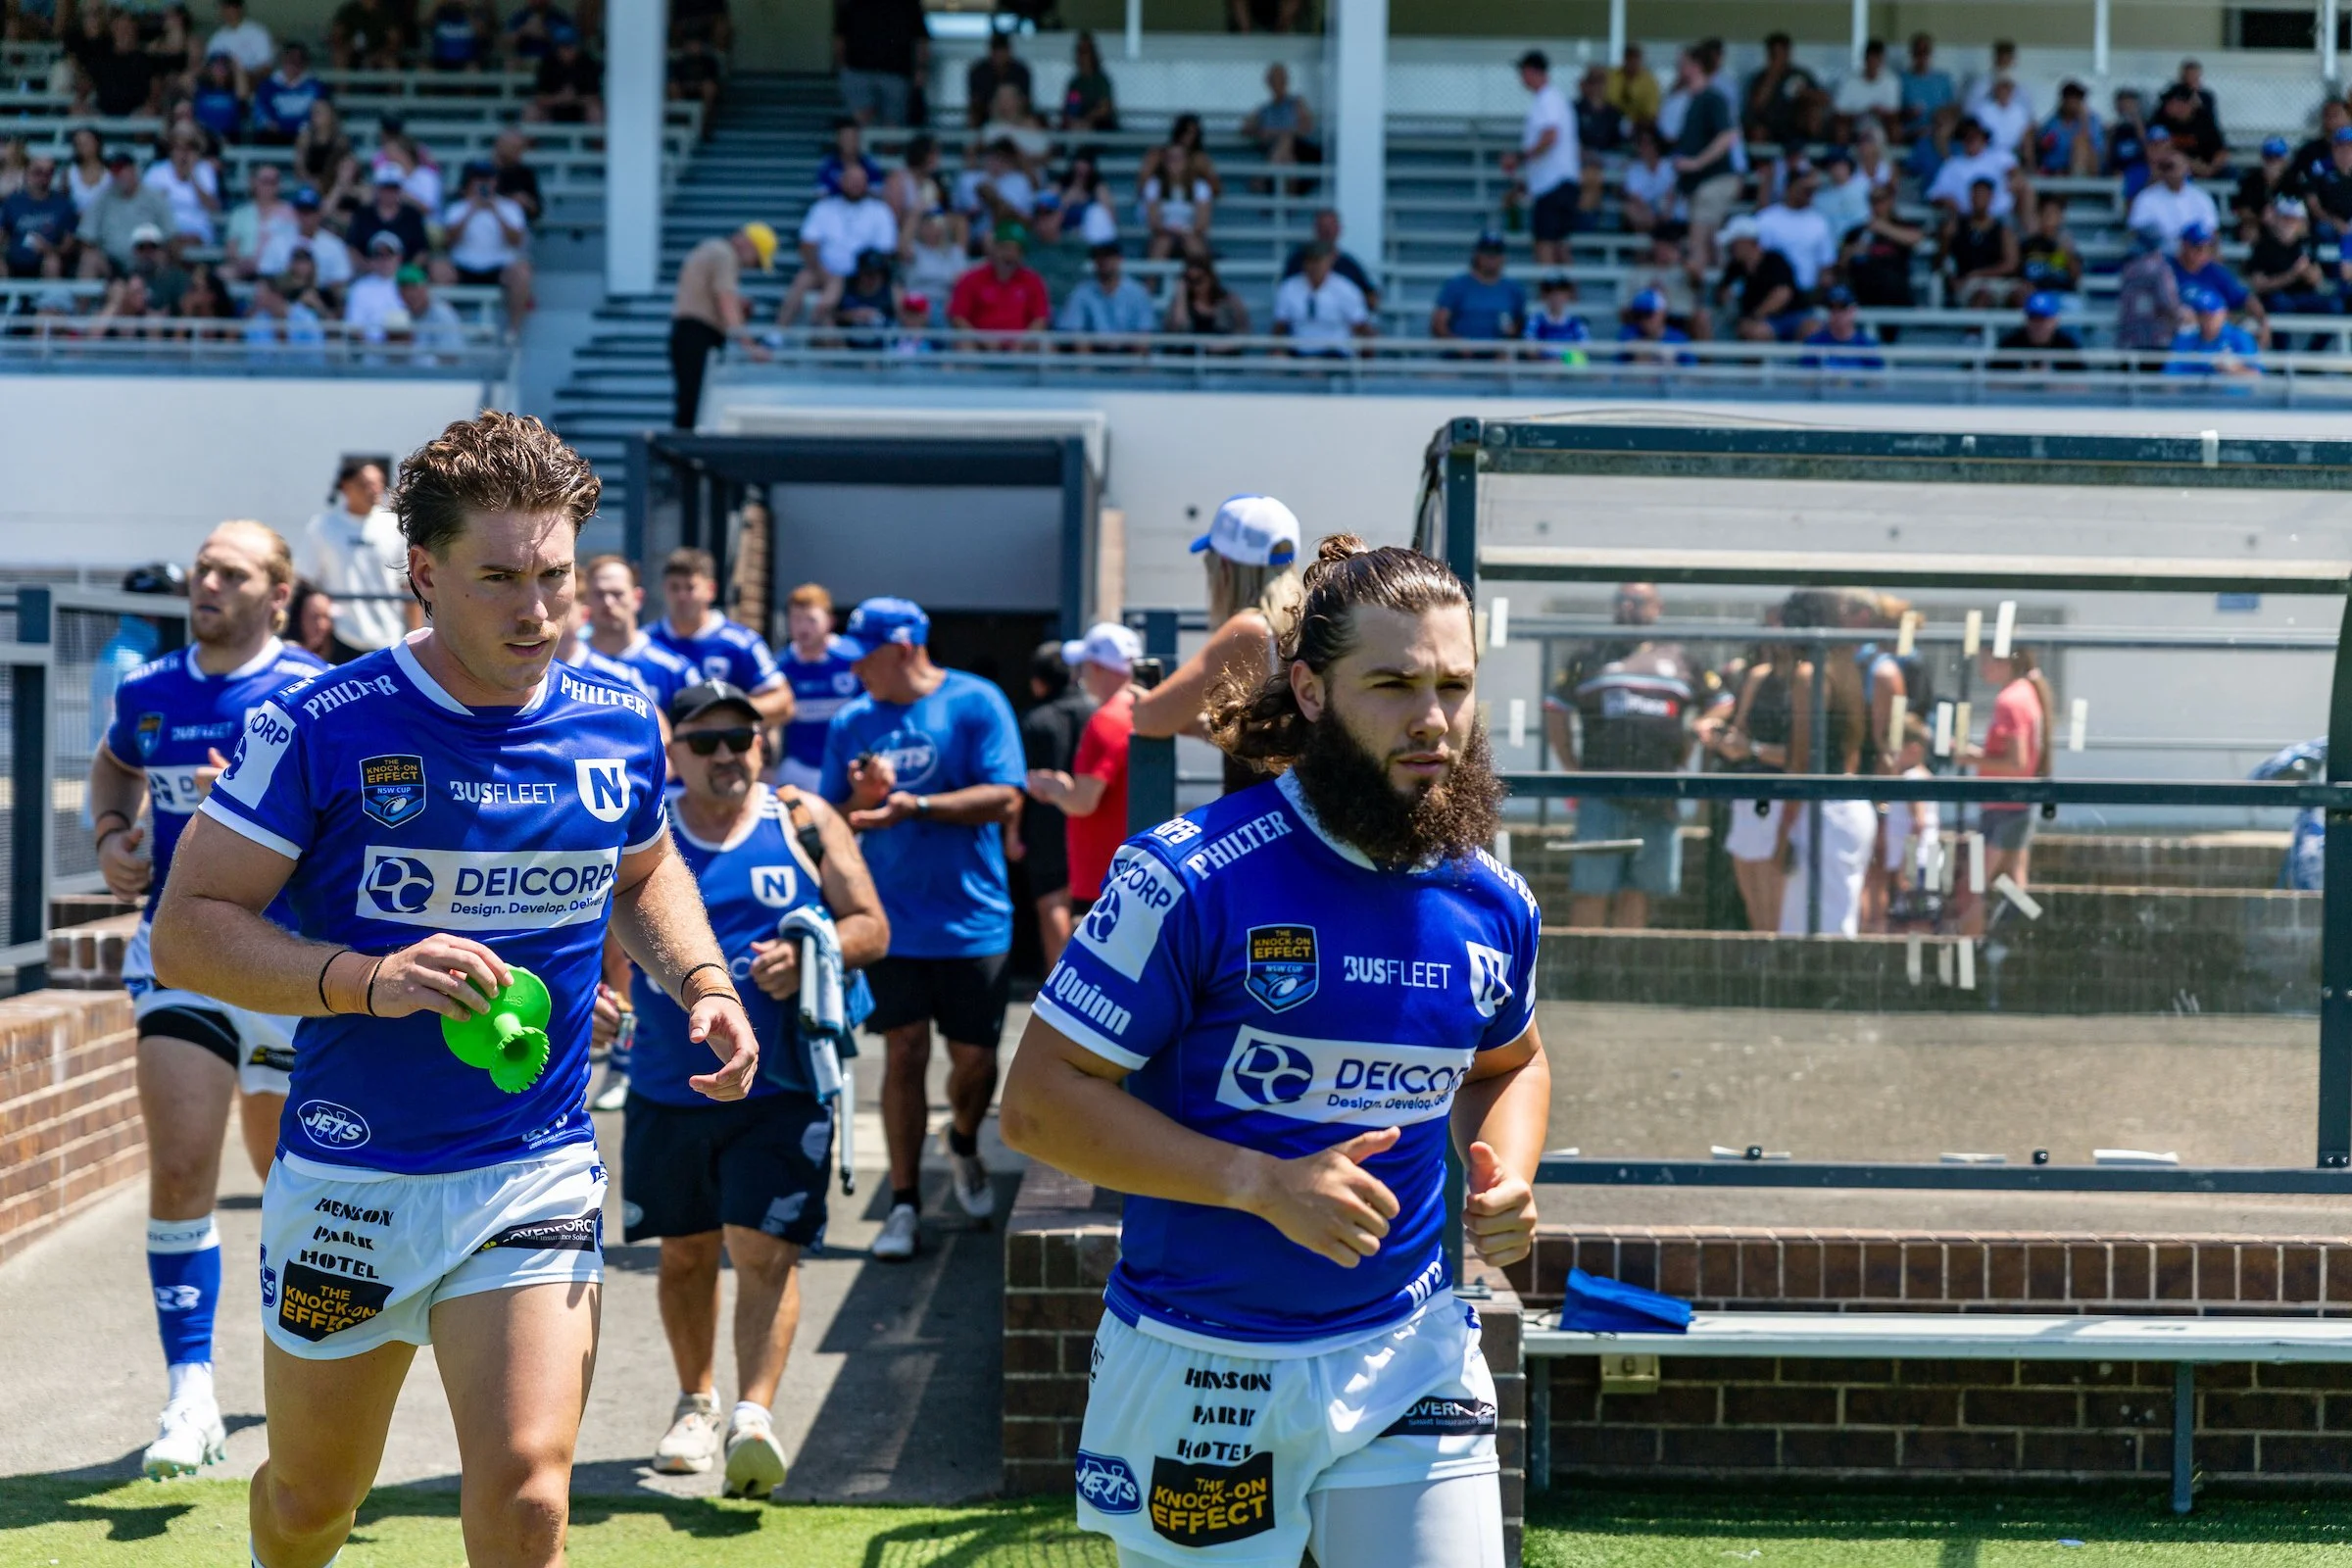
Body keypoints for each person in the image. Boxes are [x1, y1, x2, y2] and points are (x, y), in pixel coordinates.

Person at [149, 412, 760, 1568]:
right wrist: (366, 980)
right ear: (423, 573)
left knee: (530, 1497)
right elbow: (189, 932)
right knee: (311, 1503)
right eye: (499, 578)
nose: (537, 611)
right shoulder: (319, 724)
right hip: (348, 1176)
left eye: (555, 577)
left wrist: (703, 979)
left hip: (531, 1166)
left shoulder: (622, 719)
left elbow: (644, 868)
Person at [1001, 535, 1546, 1568]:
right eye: (1392, 683)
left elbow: (1508, 1062)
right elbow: (1038, 1103)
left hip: (1408, 1353)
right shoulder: (1188, 875)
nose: (1433, 720)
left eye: (1454, 684)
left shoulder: (1492, 899)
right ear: (1307, 688)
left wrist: (1506, 1173)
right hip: (1203, 1364)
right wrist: (1256, 1181)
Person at [86, 523, 328, 1481]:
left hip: (282, 963)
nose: (207, 582)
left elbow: (349, 821)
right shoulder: (148, 691)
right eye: (202, 569)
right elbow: (115, 761)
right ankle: (190, 1392)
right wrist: (112, 830)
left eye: (232, 571)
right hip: (179, 957)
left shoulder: (313, 688)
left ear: (278, 591)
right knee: (184, 1166)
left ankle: (305, 1374)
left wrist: (260, 808)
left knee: (294, 1184)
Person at [628, 679, 887, 1495]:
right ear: (675, 754)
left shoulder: (802, 821)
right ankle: (696, 1401)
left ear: (761, 744)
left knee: (764, 1250)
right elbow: (608, 931)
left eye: (739, 737)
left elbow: (871, 925)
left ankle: (754, 1416)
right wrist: (600, 1005)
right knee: (685, 1254)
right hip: (670, 1083)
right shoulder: (645, 830)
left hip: (781, 1084)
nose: (725, 755)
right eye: (704, 742)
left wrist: (812, 955)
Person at [819, 598, 1024, 1260]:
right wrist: (864, 802)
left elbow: (1006, 795)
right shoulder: (853, 720)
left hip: (972, 922)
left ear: (903, 648)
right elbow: (831, 815)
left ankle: (963, 1141)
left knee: (975, 1062)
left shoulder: (976, 702)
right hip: (891, 922)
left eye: (865, 655)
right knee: (902, 1053)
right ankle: (904, 1205)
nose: (856, 670)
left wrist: (917, 805)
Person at [1545, 583, 1696, 929]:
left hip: (1658, 798)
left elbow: (1719, 704)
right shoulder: (1591, 654)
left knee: (1639, 891)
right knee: (1591, 888)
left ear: (1657, 607)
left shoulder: (1678, 657)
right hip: (1602, 795)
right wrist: (1570, 766)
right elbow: (1555, 707)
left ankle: (1625, 972)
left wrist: (1695, 733)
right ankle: (1587, 973)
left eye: (1638, 601)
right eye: (1621, 600)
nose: (1628, 607)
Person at [1021, 621, 1140, 920]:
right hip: (1128, 872)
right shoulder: (1139, 711)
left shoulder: (1106, 720)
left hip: (1102, 879)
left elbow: (1083, 802)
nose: (1079, 676)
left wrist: (1055, 789)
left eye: (1084, 666)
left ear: (1098, 668)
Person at [1773, 595, 1873, 937]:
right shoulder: (1846, 668)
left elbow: (1802, 760)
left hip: (1823, 810)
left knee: (1811, 929)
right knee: (1836, 922)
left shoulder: (1809, 674)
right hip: (1850, 804)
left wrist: (1784, 827)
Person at [1961, 644, 2053, 936]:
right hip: (2016, 805)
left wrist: (1969, 757)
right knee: (2013, 883)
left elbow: (2016, 761)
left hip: (2003, 806)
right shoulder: (2027, 693)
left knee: (1973, 887)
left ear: (2005, 661)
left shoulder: (2010, 700)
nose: (1981, 668)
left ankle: (1970, 956)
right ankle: (2017, 942)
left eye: (1987, 661)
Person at [1016, 641, 1095, 971]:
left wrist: (1011, 833)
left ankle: (1058, 982)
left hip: (1045, 825)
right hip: (1092, 819)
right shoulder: (1097, 711)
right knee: (1094, 906)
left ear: (1039, 681)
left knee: (1052, 904)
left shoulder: (1034, 719)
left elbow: (1017, 784)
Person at [648, 547, 793, 722]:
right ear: (664, 589)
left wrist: (726, 709)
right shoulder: (647, 642)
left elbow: (783, 702)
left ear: (711, 590)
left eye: (690, 587)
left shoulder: (742, 643)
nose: (682, 596)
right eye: (674, 587)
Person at [296, 458, 414, 655]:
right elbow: (305, 579)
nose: (374, 490)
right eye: (366, 484)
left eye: (378, 483)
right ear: (346, 487)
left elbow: (407, 584)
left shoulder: (394, 526)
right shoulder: (323, 527)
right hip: (339, 638)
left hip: (389, 637)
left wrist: (414, 633)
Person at [670, 221, 776, 428]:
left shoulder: (712, 249)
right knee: (695, 402)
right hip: (697, 334)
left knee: (690, 400)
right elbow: (726, 301)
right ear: (748, 245)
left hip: (689, 332)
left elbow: (712, 295)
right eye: (756, 261)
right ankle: (685, 453)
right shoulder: (725, 254)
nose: (751, 266)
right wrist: (750, 346)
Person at [780, 160, 898, 327]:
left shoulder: (879, 210)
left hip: (866, 275)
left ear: (867, 183)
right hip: (825, 272)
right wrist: (824, 273)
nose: (856, 185)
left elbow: (886, 250)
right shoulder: (823, 208)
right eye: (851, 180)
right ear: (841, 181)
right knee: (803, 279)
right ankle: (778, 334)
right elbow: (807, 245)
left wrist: (859, 274)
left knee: (830, 296)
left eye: (860, 181)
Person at [580, 553, 697, 717]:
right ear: (586, 600)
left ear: (637, 598)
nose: (608, 602)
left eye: (617, 594)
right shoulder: (568, 664)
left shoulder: (675, 670)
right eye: (599, 594)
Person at [773, 582, 858, 794]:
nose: (803, 627)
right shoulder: (780, 666)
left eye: (811, 619)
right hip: (797, 769)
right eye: (796, 619)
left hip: (846, 767)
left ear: (830, 621)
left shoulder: (851, 661)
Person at [1503, 49, 1580, 267]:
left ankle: (1549, 291)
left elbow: (1550, 136)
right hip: (1556, 182)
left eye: (1523, 72)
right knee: (1559, 245)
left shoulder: (1548, 99)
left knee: (1545, 243)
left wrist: (1519, 158)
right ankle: (1565, 294)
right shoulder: (1551, 99)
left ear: (1531, 71)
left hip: (1553, 184)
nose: (1521, 78)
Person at [1669, 49, 1740, 269]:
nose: (1679, 69)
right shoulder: (1691, 100)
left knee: (1700, 243)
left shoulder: (1712, 98)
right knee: (1707, 243)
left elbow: (1728, 136)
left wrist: (1696, 163)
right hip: (1698, 184)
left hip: (1714, 180)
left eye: (1683, 64)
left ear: (1697, 66)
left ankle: (1707, 297)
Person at [442, 159, 533, 324]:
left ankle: (513, 333)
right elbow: (449, 241)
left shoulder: (510, 208)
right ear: (470, 182)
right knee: (439, 270)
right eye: (479, 179)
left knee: (522, 272)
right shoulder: (457, 208)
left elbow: (516, 241)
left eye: (488, 179)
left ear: (495, 182)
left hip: (498, 267)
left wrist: (496, 211)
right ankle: (448, 326)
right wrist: (471, 210)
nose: (483, 184)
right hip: (464, 266)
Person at [947, 221, 1051, 340]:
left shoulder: (1033, 281)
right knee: (963, 344)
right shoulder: (971, 279)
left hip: (1021, 347)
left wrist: (1023, 343)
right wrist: (980, 338)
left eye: (1016, 250)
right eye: (1005, 248)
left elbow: (1040, 318)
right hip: (979, 345)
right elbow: (958, 317)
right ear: (994, 249)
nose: (1009, 255)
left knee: (1043, 344)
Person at [832, 0, 927, 127]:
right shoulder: (852, 2)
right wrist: (843, 67)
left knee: (892, 127)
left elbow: (921, 38)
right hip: (859, 71)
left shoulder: (908, 3)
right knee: (859, 125)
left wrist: (920, 69)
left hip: (894, 73)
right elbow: (840, 37)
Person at [1274, 239, 1374, 354]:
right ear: (1304, 263)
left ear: (1329, 262)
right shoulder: (1289, 288)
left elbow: (1361, 325)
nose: (1314, 266)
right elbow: (1279, 326)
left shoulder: (1346, 289)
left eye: (1319, 261)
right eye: (1310, 260)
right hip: (1299, 352)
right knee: (1277, 359)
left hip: (1335, 353)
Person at [1717, 216, 1805, 341]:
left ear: (1746, 242)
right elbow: (1723, 293)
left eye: (1734, 243)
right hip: (1752, 321)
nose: (1731, 248)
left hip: (1788, 316)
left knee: (1810, 327)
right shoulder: (1735, 267)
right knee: (1751, 330)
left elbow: (1782, 294)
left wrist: (1755, 316)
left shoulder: (1775, 261)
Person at [1430, 231, 1525, 341]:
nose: (1491, 258)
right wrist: (1457, 344)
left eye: (1496, 253)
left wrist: (1512, 335)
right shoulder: (1457, 285)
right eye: (1487, 253)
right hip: (1461, 354)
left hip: (1499, 353)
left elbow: (1520, 325)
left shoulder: (1513, 288)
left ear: (1503, 257)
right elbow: (1438, 324)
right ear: (1477, 254)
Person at [2127, 140, 2222, 249]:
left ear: (2186, 169)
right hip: (2160, 256)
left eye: (2172, 166)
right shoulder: (2147, 197)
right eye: (2165, 167)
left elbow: (2212, 231)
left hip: (2193, 255)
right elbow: (2135, 230)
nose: (2169, 171)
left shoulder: (2201, 197)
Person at [1941, 177, 2019, 306]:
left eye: (1983, 194)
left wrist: (1979, 274)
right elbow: (1941, 261)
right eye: (1976, 194)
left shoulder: (2002, 230)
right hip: (1968, 284)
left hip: (1997, 282)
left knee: (2020, 294)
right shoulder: (1957, 227)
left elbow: (2011, 264)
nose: (1979, 198)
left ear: (1991, 197)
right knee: (1982, 296)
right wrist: (1945, 239)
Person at [1281, 209, 1379, 309]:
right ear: (1315, 229)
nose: (1327, 231)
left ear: (1339, 229)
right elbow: (1284, 293)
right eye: (1322, 227)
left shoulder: (1349, 264)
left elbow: (1371, 299)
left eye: (1331, 227)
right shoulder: (1298, 259)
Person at [1057, 242, 1156, 339]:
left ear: (1120, 259)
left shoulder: (1137, 292)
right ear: (1095, 262)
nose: (1105, 261)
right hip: (1094, 350)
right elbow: (1076, 332)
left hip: (1127, 350)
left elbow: (1144, 331)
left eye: (1109, 256)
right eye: (1100, 257)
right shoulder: (1081, 292)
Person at [2166, 284, 2262, 377]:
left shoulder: (2241, 337)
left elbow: (2256, 375)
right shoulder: (2185, 340)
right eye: (2202, 315)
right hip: (2192, 392)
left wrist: (2234, 369)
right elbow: (2170, 376)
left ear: (2223, 313)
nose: (2207, 320)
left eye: (2211, 315)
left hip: (2231, 393)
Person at [1244, 62, 1318, 172]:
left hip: (1300, 149)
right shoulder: (1265, 110)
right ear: (1268, 83)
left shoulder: (1296, 103)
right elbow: (1245, 128)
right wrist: (1260, 131)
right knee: (1287, 161)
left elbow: (1307, 128)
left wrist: (1278, 133)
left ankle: (1270, 174)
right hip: (1275, 151)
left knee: (1286, 143)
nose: (1278, 83)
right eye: (1274, 80)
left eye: (1281, 79)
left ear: (1287, 81)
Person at [1990, 290, 2086, 372]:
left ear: (2055, 320)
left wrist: (2050, 381)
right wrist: (2023, 380)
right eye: (2034, 318)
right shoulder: (2009, 345)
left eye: (2044, 319)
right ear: (2026, 320)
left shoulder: (2066, 346)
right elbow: (1991, 383)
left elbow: (2083, 387)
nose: (2038, 325)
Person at [1798, 284, 1883, 368]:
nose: (1837, 313)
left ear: (1853, 310)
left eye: (1842, 307)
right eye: (1832, 307)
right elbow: (1806, 379)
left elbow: (1876, 379)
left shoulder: (1867, 344)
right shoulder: (1814, 342)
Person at [1834, 37, 1899, 143]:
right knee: (1841, 129)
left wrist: (1879, 113)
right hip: (1854, 125)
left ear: (1882, 61)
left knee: (1895, 128)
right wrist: (1861, 115)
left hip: (1881, 125)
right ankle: (1842, 157)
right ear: (1865, 59)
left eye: (1877, 59)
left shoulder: (1891, 81)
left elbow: (1893, 114)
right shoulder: (1849, 81)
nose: (1874, 64)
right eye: (1871, 59)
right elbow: (1839, 113)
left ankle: (1893, 158)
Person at [963, 29, 1030, 130]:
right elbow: (975, 101)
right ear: (991, 51)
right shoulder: (979, 71)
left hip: (1016, 118)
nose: (1000, 56)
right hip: (985, 116)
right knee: (973, 119)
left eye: (1003, 51)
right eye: (996, 51)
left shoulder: (1020, 71)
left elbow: (1025, 101)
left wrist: (1009, 110)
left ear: (1009, 51)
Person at [1060, 31, 1117, 131]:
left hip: (1099, 126)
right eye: (1079, 51)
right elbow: (1071, 108)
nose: (1082, 56)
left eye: (1085, 51)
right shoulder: (1076, 82)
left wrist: (1087, 119)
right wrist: (1073, 120)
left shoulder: (1101, 81)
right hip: (1078, 125)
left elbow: (1104, 109)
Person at [209, 0, 275, 73]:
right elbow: (209, 63)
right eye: (224, 7)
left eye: (230, 7)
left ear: (240, 9)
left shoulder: (257, 32)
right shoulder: (217, 36)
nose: (227, 11)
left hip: (252, 79)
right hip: (223, 80)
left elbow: (266, 67)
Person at [287, 579, 342, 663]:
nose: (320, 625)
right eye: (314, 617)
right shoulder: (288, 653)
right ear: (300, 618)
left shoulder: (342, 659)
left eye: (325, 616)